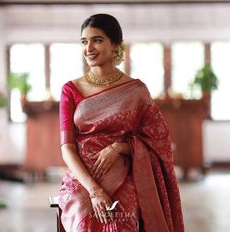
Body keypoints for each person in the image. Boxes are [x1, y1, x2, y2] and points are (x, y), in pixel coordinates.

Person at [59, 13, 184, 232]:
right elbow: (67, 148)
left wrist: (119, 148)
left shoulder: (136, 91)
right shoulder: (70, 90)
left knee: (120, 218)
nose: (89, 47)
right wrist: (94, 191)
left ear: (115, 45)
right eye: (84, 41)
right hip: (83, 178)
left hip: (123, 173)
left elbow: (158, 141)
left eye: (97, 40)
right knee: (83, 219)